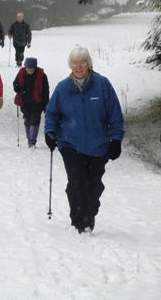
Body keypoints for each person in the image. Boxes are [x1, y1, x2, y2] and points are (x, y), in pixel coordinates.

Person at [44, 46, 124, 234]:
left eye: (82, 62)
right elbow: (51, 113)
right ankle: (79, 220)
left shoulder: (102, 85)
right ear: (70, 65)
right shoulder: (63, 88)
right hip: (70, 144)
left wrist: (116, 140)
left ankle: (89, 213)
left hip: (98, 145)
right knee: (77, 182)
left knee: (94, 185)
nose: (78, 66)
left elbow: (115, 114)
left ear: (88, 63)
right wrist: (50, 132)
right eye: (74, 62)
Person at [13, 57, 49, 148]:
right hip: (24, 101)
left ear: (35, 68)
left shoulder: (42, 75)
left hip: (37, 102)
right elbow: (15, 83)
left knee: (35, 121)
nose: (29, 70)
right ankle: (29, 138)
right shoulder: (21, 73)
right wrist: (16, 87)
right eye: (27, 68)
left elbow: (46, 90)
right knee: (27, 120)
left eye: (31, 69)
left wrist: (45, 104)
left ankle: (32, 140)